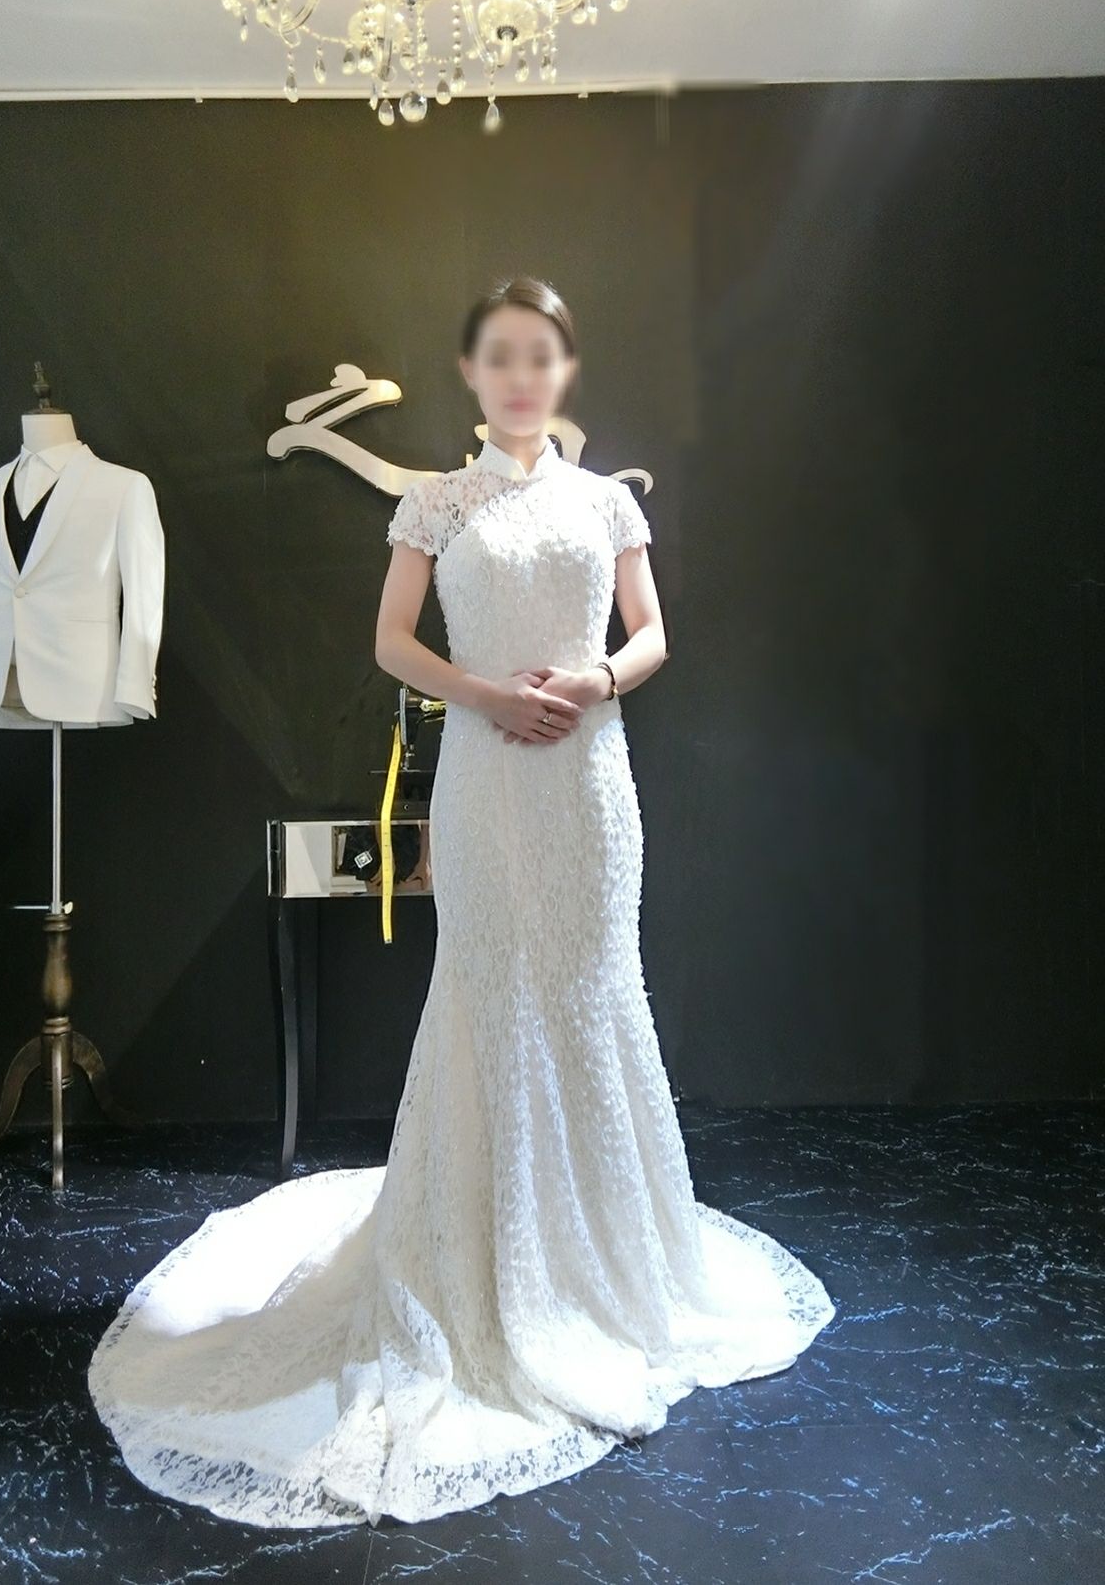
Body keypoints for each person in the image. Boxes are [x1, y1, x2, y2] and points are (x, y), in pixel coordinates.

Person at [87, 276, 836, 1530]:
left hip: (589, 783)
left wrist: (596, 681)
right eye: (501, 357)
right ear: (473, 374)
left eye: (541, 356)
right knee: (491, 991)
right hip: (487, 781)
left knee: (592, 991)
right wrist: (486, 695)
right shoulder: (438, 500)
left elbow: (654, 633)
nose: (522, 375)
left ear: (563, 370)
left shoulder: (606, 501)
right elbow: (392, 640)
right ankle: (476, 1264)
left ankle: (604, 1261)